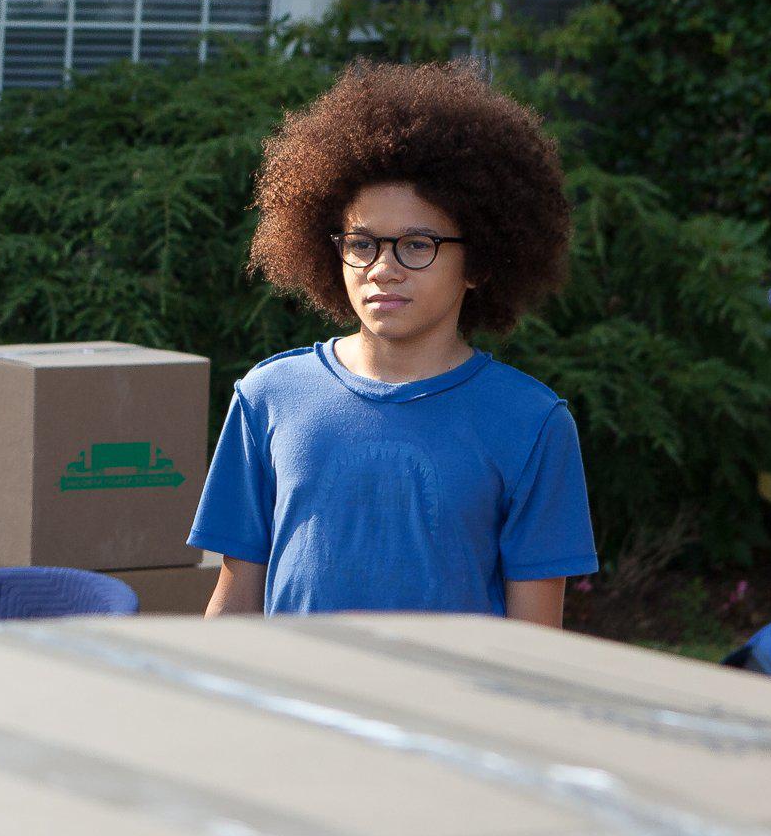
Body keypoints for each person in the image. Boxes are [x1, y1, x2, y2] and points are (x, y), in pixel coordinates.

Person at [190, 60, 595, 624]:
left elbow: (536, 640)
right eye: (362, 242)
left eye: (417, 244)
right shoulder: (268, 396)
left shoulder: (531, 422)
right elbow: (235, 601)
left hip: (443, 712)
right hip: (294, 710)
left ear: (477, 262)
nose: (382, 268)